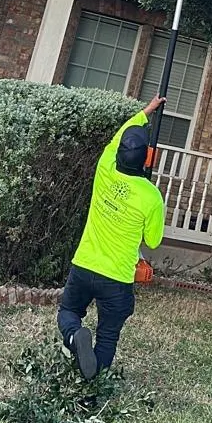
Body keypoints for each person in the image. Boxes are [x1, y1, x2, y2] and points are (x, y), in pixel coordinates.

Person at [58, 98, 166, 379]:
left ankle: (74, 338)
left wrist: (145, 111)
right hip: (117, 278)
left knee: (69, 311)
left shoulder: (104, 168)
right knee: (107, 336)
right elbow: (153, 241)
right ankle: (92, 384)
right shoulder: (151, 196)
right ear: (146, 158)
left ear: (118, 152)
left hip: (84, 265)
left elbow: (122, 132)